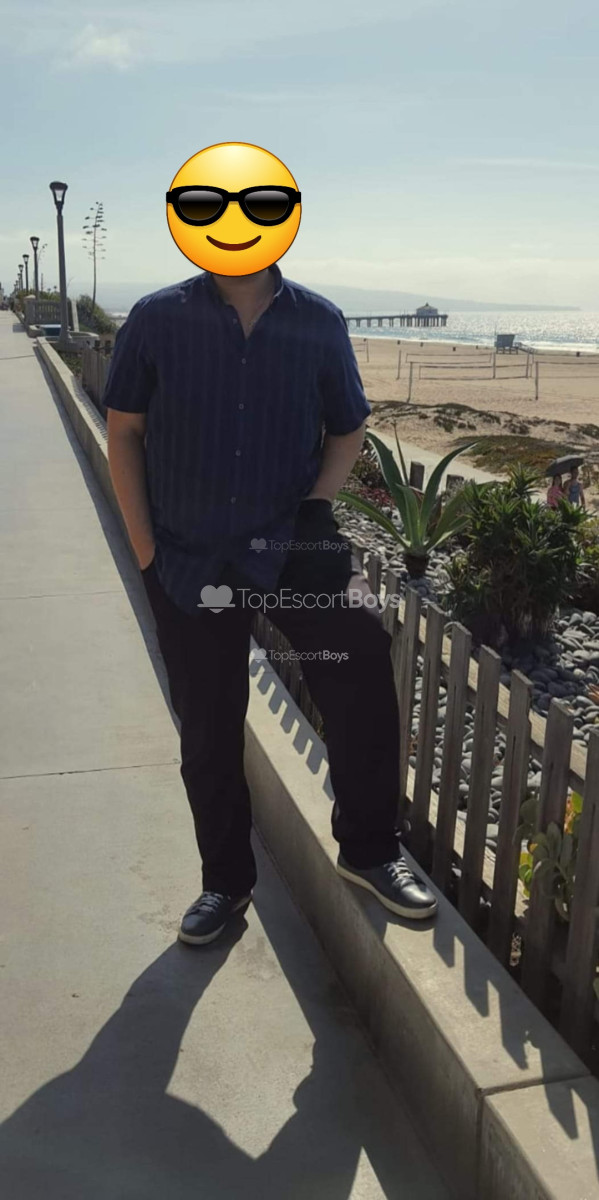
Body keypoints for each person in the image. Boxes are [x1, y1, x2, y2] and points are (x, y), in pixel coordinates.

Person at [104, 262, 438, 946]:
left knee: (358, 653)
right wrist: (146, 555)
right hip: (188, 553)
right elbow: (125, 431)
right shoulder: (156, 318)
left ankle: (368, 849)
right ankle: (225, 882)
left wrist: (315, 506)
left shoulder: (318, 322)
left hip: (291, 540)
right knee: (208, 725)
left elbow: (347, 429)